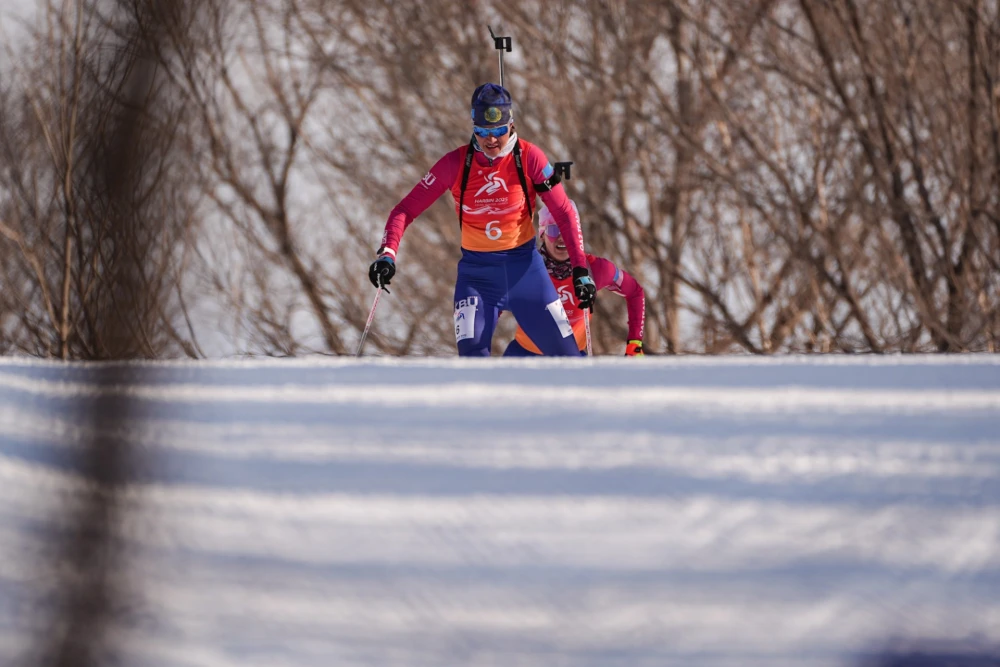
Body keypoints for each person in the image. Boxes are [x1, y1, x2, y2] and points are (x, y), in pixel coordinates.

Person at [367, 83, 596, 356]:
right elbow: (404, 210)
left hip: (526, 274)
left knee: (569, 361)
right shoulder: (455, 164)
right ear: (473, 128)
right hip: (476, 278)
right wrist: (387, 253)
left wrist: (580, 269)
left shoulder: (529, 157)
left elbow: (563, 212)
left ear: (511, 124)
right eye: (483, 132)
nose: (491, 141)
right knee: (474, 365)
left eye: (498, 131)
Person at [504, 200, 645, 357]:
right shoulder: (526, 268)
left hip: (572, 358)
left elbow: (635, 292)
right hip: (525, 356)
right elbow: (491, 300)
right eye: (553, 230)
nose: (562, 238)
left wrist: (635, 342)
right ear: (542, 234)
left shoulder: (594, 269)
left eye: (568, 231)